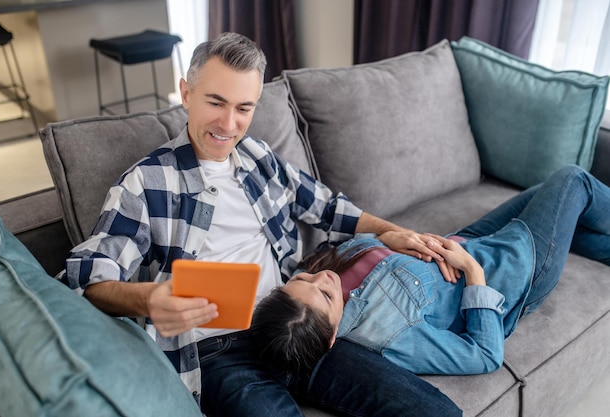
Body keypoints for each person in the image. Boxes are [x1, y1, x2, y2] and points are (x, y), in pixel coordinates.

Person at [64, 32, 461, 416]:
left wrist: (388, 229)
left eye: (243, 108)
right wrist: (149, 299)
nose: (228, 125)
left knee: (436, 411)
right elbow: (88, 279)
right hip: (219, 352)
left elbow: (326, 207)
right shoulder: (145, 183)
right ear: (186, 94)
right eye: (215, 103)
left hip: (294, 324)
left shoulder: (257, 156)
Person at [251, 164, 610, 377]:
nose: (322, 277)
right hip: (514, 268)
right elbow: (484, 355)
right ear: (330, 336)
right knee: (572, 181)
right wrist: (472, 271)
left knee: (556, 202)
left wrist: (389, 236)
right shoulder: (387, 336)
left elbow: (359, 249)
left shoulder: (308, 290)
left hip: (467, 239)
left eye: (303, 280)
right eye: (325, 294)